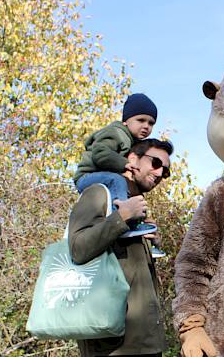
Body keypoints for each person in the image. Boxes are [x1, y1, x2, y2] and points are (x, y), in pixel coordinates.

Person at [68, 138, 173, 357]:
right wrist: (122, 217)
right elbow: (77, 249)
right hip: (113, 345)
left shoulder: (138, 206)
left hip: (147, 342)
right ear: (132, 159)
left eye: (165, 171)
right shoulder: (99, 192)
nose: (160, 173)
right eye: (155, 163)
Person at [73, 93, 165, 256]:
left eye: (151, 123)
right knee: (116, 180)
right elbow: (99, 153)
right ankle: (126, 219)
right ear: (126, 120)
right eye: (141, 120)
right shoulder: (117, 133)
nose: (146, 126)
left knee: (128, 194)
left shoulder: (130, 141)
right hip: (88, 176)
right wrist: (124, 164)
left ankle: (145, 238)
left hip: (105, 179)